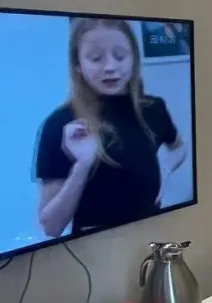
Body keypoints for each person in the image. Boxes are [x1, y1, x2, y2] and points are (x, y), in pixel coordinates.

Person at [34, 18, 188, 238]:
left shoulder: (153, 108)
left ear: (133, 58)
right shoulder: (60, 124)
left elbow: (179, 148)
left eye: (120, 56)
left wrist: (165, 168)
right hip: (96, 247)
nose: (110, 67)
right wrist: (82, 166)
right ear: (77, 64)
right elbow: (52, 227)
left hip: (151, 235)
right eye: (96, 58)